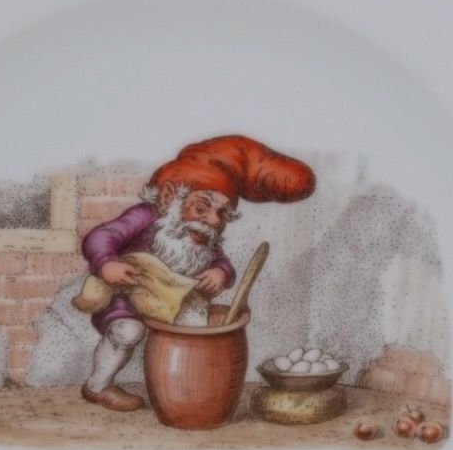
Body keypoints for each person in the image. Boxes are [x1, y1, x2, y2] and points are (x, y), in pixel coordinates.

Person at [79, 135, 315, 410]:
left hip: (180, 303)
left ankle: (187, 394)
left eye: (222, 214)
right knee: (127, 332)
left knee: (196, 341)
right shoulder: (145, 217)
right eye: (202, 207)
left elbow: (221, 261)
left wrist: (220, 273)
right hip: (131, 296)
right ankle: (98, 386)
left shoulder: (204, 236)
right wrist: (107, 263)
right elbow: (101, 236)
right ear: (169, 197)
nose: (213, 221)